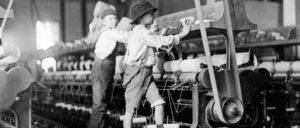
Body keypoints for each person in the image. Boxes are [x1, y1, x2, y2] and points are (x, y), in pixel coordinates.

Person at [122, 0, 191, 128]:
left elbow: (155, 44)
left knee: (159, 103)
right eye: (150, 14)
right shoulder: (142, 32)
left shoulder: (141, 31)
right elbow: (159, 41)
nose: (154, 16)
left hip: (146, 74)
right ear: (142, 17)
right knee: (130, 110)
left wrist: (162, 35)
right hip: (137, 74)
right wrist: (182, 34)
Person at [88, 8, 131, 128]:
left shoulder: (107, 31)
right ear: (104, 22)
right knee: (100, 103)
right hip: (103, 66)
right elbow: (126, 37)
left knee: (101, 102)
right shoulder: (109, 32)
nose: (114, 20)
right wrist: (141, 32)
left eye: (115, 18)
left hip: (104, 66)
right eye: (110, 19)